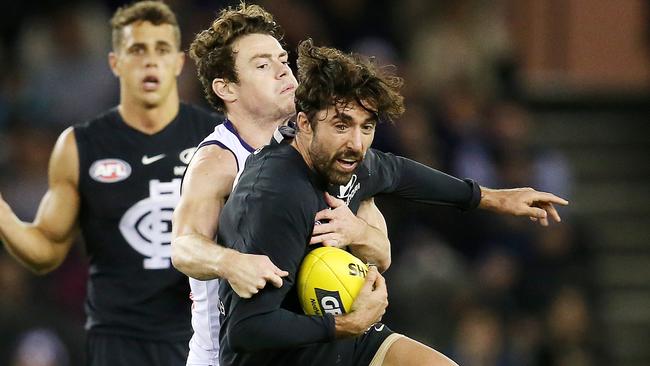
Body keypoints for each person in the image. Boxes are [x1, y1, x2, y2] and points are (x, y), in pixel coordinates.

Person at [215, 40, 568, 366]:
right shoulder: (274, 197)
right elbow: (248, 329)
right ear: (304, 124)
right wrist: (348, 323)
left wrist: (494, 198)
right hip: (287, 356)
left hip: (346, 341)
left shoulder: (346, 160)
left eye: (366, 127)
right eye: (341, 124)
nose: (356, 142)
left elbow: (399, 173)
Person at [171, 4, 392, 365]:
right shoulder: (218, 160)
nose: (283, 71)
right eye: (262, 65)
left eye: (282, 59)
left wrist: (359, 234)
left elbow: (382, 253)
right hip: (232, 354)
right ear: (226, 87)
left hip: (313, 347)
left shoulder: (317, 145)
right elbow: (183, 247)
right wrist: (230, 263)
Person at [0, 2, 219, 365]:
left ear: (179, 63)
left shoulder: (216, 140)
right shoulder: (79, 146)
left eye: (162, 50)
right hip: (118, 343)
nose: (150, 62)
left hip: (201, 336)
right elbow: (47, 251)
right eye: (137, 50)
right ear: (115, 62)